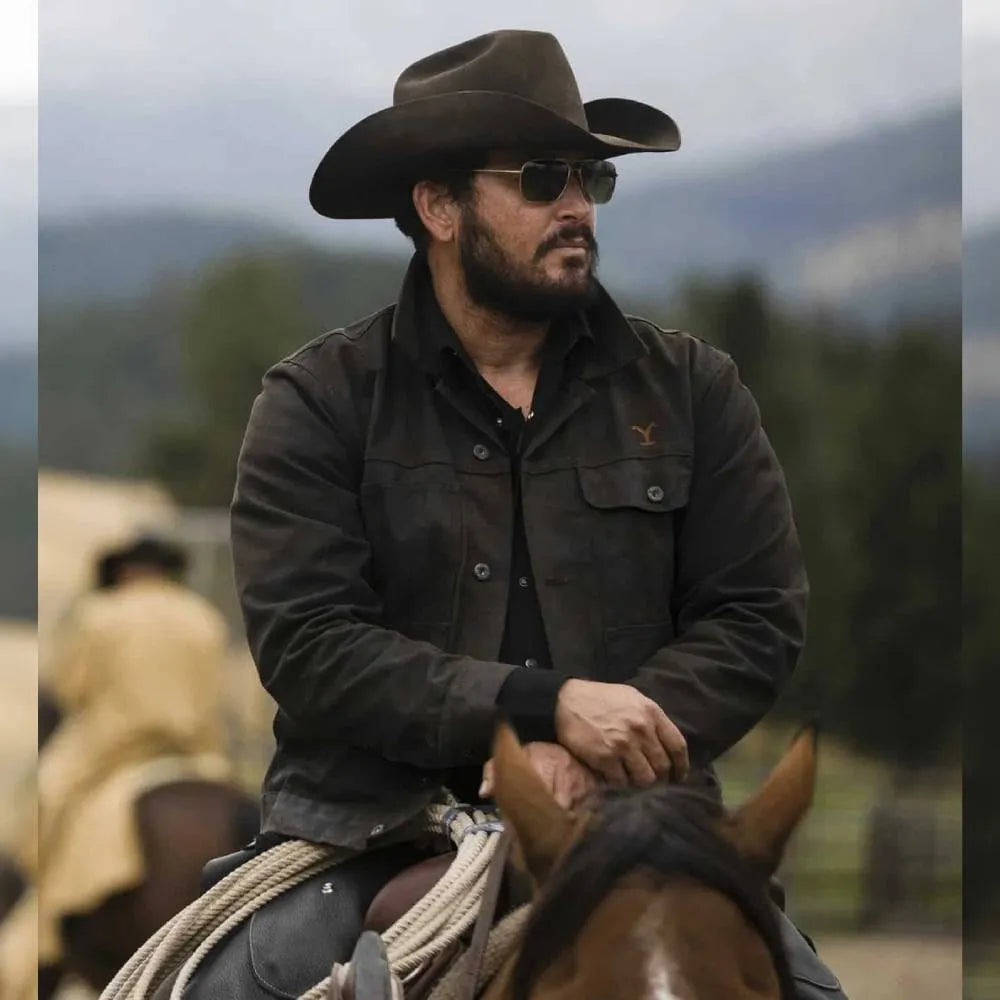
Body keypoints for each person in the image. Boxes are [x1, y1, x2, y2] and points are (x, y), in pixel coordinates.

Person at [190, 28, 846, 998]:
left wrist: (616, 740)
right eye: (543, 179)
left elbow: (754, 616)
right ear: (439, 206)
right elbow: (310, 641)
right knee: (232, 980)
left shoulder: (693, 389)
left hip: (643, 831)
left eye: (590, 181)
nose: (577, 206)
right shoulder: (319, 399)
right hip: (365, 828)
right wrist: (540, 710)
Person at [0, 535, 231, 996]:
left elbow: (66, 691)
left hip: (109, 755)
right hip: (198, 758)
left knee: (32, 828)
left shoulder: (101, 614)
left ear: (124, 572)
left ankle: (33, 948)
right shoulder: (205, 619)